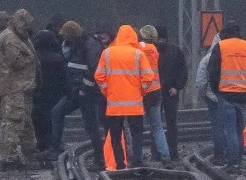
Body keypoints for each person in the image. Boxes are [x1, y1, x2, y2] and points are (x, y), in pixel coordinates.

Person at [94, 23, 158, 170]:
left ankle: (120, 164)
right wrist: (140, 92)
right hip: (134, 104)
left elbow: (99, 76)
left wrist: (107, 92)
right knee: (137, 134)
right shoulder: (138, 54)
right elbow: (149, 77)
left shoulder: (107, 53)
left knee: (116, 135)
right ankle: (137, 161)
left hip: (114, 104)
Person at [199, 20, 246, 170]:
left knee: (229, 129)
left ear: (225, 33)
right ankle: (239, 159)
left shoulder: (221, 46)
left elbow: (213, 71)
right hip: (243, 94)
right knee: (239, 129)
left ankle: (232, 163)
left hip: (225, 93)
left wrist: (217, 90)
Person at [0, 8, 39, 168]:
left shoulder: (15, 37)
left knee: (25, 122)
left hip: (21, 86)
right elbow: (16, 62)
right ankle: (8, 158)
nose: (26, 27)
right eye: (25, 24)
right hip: (14, 88)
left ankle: (30, 152)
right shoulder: (10, 39)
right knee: (12, 122)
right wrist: (30, 56)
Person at [55, 21, 104, 150]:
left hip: (87, 93)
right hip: (77, 91)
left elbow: (94, 71)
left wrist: (84, 89)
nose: (64, 39)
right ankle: (55, 147)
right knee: (57, 112)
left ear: (72, 35)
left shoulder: (90, 46)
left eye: (66, 36)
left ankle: (100, 157)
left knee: (91, 126)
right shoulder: (77, 45)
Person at [31, 28, 68, 155]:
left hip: (36, 94)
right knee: (53, 120)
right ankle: (53, 144)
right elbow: (64, 77)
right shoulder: (58, 58)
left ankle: (41, 144)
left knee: (38, 120)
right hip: (54, 94)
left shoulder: (32, 58)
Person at [155, 25, 187, 163]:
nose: (160, 41)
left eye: (162, 38)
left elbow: (183, 71)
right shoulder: (151, 51)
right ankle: (156, 153)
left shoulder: (176, 51)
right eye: (158, 38)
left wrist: (177, 87)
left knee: (171, 123)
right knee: (155, 124)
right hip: (155, 93)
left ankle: (173, 152)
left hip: (170, 92)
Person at [138, 25, 170, 163]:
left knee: (137, 127)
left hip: (141, 92)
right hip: (156, 92)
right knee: (157, 126)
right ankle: (165, 155)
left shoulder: (138, 49)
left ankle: (137, 156)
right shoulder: (155, 51)